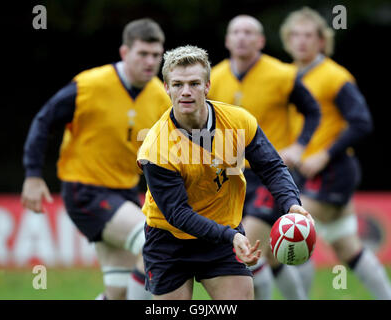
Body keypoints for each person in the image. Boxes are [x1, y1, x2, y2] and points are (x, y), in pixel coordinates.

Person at [136, 45, 313, 300]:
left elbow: (271, 166)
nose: (186, 92)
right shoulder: (155, 147)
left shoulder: (239, 121)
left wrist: (291, 204)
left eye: (194, 83)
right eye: (177, 84)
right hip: (169, 239)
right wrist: (230, 237)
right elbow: (178, 214)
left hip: (222, 235)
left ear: (208, 85)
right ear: (166, 87)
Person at [21, 18, 171, 300]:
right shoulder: (90, 85)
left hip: (125, 193)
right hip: (85, 190)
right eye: (143, 54)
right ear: (125, 53)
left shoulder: (160, 98)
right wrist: (32, 174)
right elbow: (44, 121)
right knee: (155, 243)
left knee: (120, 292)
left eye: (156, 55)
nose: (150, 61)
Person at [280, 7, 391, 299]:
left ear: (321, 41)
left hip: (334, 170)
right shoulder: (287, 76)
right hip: (305, 172)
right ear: (287, 40)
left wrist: (325, 154)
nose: (301, 41)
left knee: (294, 228)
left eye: (308, 35)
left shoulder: (334, 76)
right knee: (348, 248)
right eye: (295, 35)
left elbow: (362, 121)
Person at [208, 15, 321, 299]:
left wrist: (299, 146)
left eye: (249, 32)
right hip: (231, 176)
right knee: (267, 256)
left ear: (260, 41)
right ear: (227, 40)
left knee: (247, 247)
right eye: (236, 32)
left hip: (270, 174)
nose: (242, 37)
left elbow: (313, 110)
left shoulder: (283, 74)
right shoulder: (213, 78)